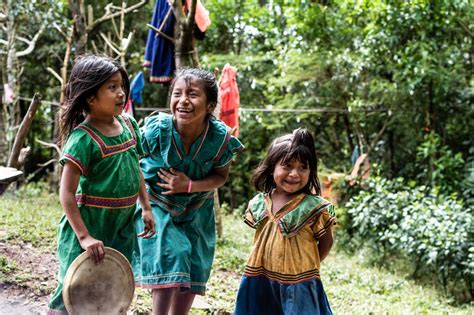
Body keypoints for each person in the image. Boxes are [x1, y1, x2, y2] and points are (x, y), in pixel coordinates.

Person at [48, 55, 155, 314]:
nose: (121, 93)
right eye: (112, 87)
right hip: (89, 223)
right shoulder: (82, 139)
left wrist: (146, 206)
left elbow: (135, 167)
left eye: (121, 86)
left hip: (122, 224)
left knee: (111, 285)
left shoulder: (128, 125)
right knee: (75, 286)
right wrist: (84, 237)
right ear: (89, 97)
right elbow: (66, 193)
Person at [133, 68, 243, 315]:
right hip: (157, 205)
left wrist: (189, 186)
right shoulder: (157, 129)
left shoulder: (220, 139)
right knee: (174, 254)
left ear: (210, 105)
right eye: (177, 93)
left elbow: (220, 177)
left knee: (195, 266)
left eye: (193, 94)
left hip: (197, 210)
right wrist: (143, 205)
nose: (183, 101)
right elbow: (131, 159)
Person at [234, 128, 336, 315]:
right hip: (261, 277)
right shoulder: (260, 202)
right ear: (272, 167)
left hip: (300, 283)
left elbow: (327, 242)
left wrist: (308, 266)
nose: (295, 173)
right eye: (287, 166)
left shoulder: (313, 207)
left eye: (303, 167)